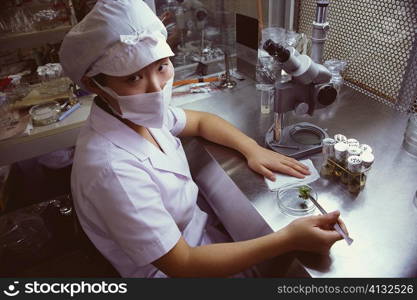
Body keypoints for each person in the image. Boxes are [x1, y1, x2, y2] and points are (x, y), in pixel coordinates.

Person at [60, 0, 346, 278]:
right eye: (133, 78)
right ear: (94, 83)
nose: (156, 89)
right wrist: (288, 239)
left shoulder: (134, 115)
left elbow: (200, 121)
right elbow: (185, 265)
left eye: (161, 66)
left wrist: (252, 148)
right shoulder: (111, 171)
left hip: (202, 237)